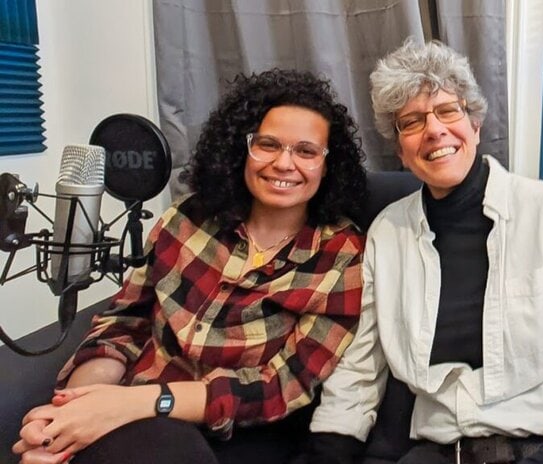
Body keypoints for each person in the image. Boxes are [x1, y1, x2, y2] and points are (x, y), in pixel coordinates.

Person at [308, 39, 543, 464]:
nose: (434, 130)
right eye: (411, 122)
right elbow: (357, 375)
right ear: (400, 150)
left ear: (475, 124)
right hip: (438, 451)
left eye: (448, 111)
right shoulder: (387, 233)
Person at [12, 68, 368, 464]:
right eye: (267, 144)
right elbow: (125, 321)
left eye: (306, 151)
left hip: (232, 430)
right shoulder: (188, 217)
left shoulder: (342, 254)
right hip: (129, 410)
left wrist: (133, 405)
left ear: (328, 164)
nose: (284, 164)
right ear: (240, 148)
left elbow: (281, 387)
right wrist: (73, 410)